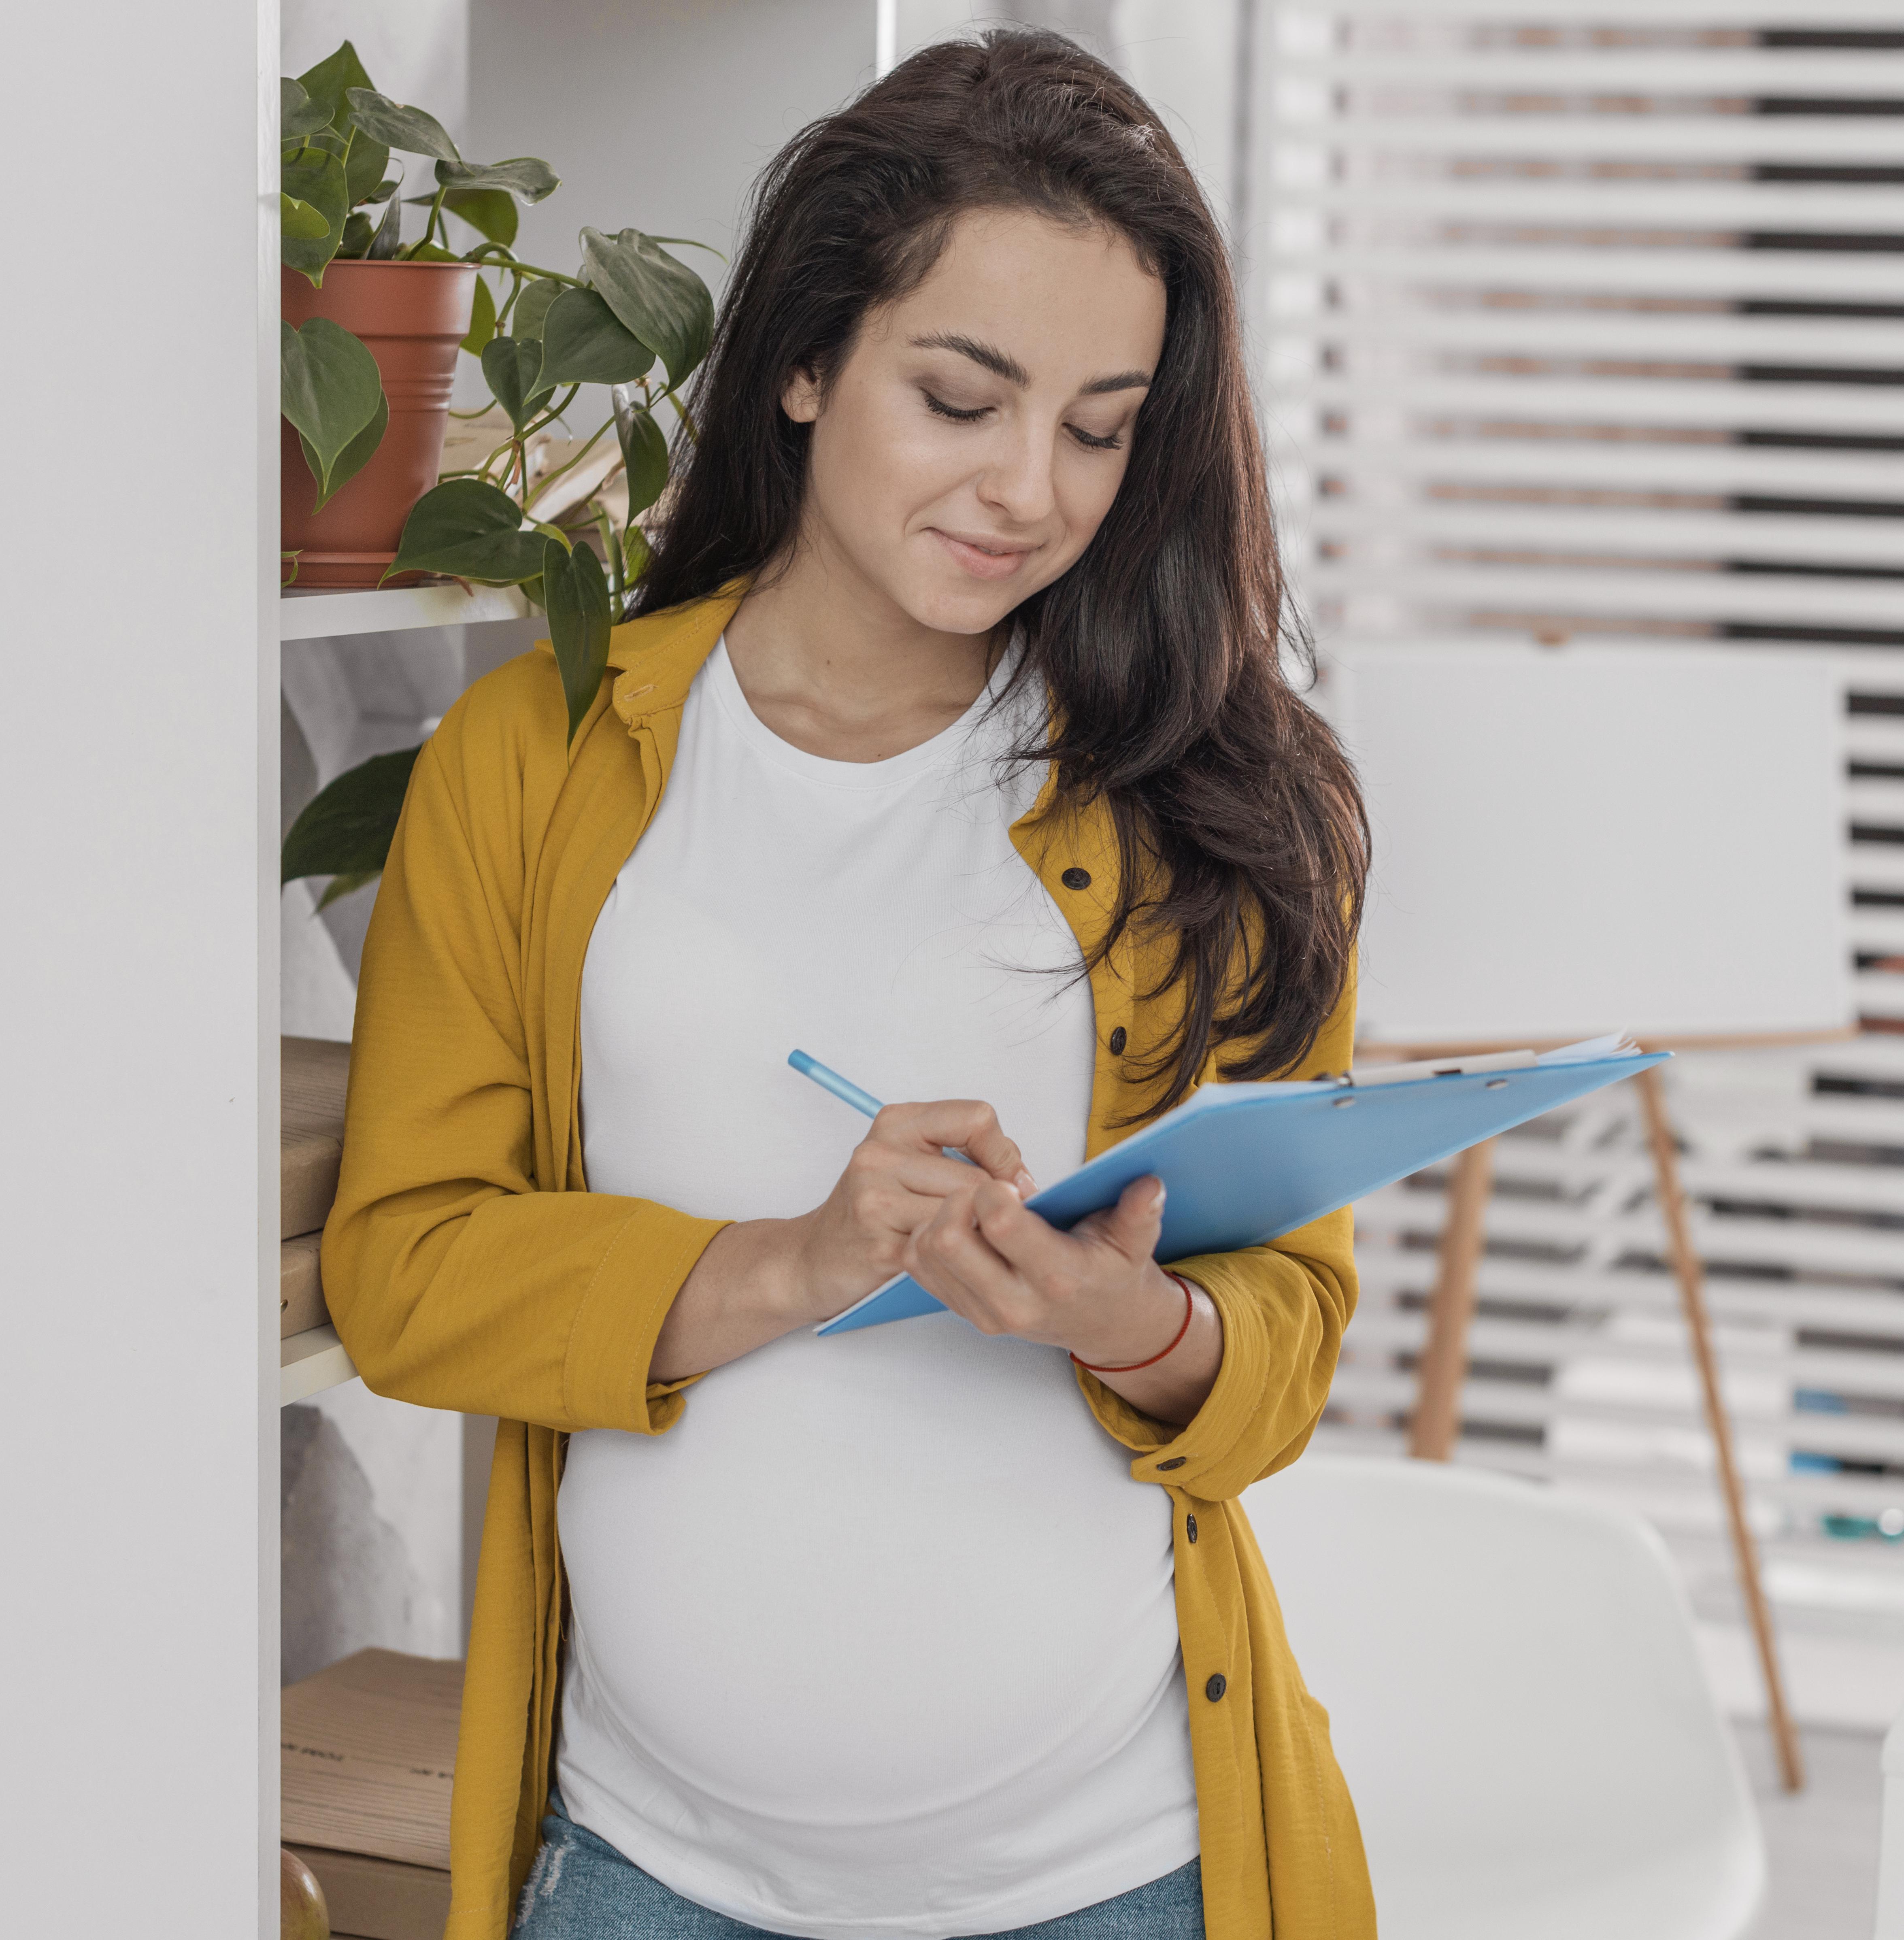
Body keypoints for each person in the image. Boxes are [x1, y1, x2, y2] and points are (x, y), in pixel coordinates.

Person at [324, 27, 1374, 1940]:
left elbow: (1286, 1341)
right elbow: (407, 1275)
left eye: (1098, 421)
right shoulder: (536, 765)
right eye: (961, 397)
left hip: (1113, 1872)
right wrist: (793, 1263)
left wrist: (1127, 1324)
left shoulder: (1214, 801)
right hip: (649, 1872)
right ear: (805, 366)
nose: (1028, 489)